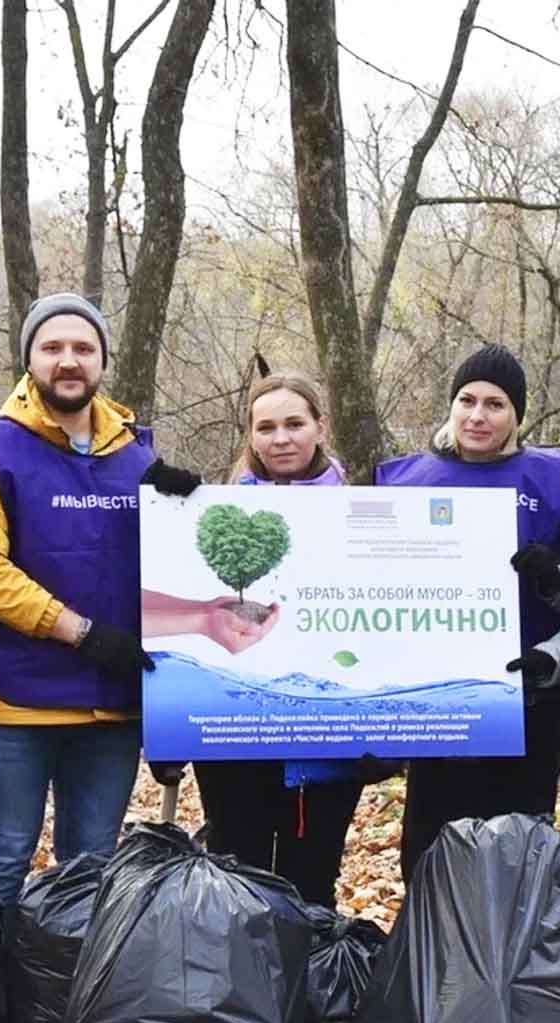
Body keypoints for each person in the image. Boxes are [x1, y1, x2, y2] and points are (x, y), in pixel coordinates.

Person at [0, 292, 199, 908]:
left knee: (90, 870)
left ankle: (61, 1000)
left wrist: (188, 510)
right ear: (29, 358)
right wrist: (79, 632)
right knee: (1, 863)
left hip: (112, 705)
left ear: (102, 361)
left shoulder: (135, 452)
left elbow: (174, 573)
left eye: (83, 348)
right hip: (13, 702)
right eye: (52, 347)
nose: (69, 360)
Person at [158, 371, 390, 907]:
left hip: (328, 750)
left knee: (312, 886)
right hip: (233, 742)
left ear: (319, 426)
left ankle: (313, 990)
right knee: (239, 885)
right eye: (266, 427)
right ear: (250, 435)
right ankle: (248, 992)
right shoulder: (207, 515)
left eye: (294, 423)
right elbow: (181, 624)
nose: (280, 438)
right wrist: (169, 729)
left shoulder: (368, 515)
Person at [374, 344, 560, 879]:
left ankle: (510, 959)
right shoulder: (406, 480)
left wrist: (549, 582)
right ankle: (429, 957)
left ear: (517, 415)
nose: (477, 414)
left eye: (495, 404)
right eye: (466, 400)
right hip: (439, 703)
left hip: (528, 700)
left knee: (516, 855)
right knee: (430, 850)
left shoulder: (556, 483)